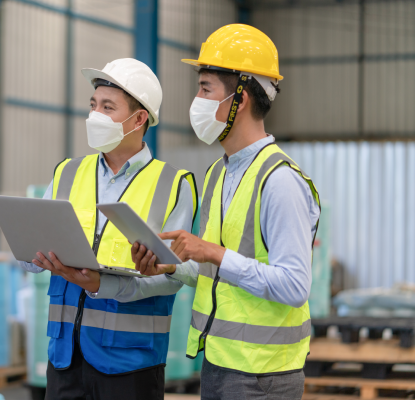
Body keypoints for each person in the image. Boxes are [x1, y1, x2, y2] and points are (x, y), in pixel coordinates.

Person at [131, 24, 321, 400]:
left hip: (263, 377)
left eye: (205, 89)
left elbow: (295, 286)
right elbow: (216, 271)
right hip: (219, 361)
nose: (196, 101)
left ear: (242, 98)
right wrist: (170, 265)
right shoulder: (220, 172)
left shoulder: (280, 181)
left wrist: (212, 252)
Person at [19, 58, 198, 400]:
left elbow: (179, 275)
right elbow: (30, 250)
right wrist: (33, 256)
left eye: (107, 107)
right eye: (93, 106)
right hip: (64, 358)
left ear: (139, 119)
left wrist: (105, 285)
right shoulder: (68, 172)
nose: (95, 116)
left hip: (131, 364)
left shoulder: (173, 184)